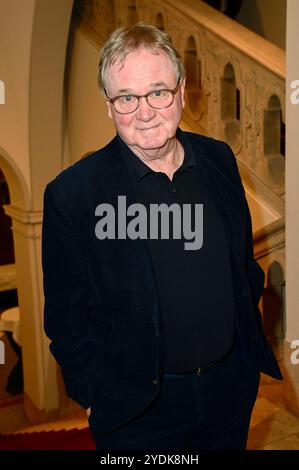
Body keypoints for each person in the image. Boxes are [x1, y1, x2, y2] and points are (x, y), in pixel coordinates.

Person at [42, 22, 282, 451]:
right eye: (127, 98)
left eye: (158, 91)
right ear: (109, 105)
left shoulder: (218, 159)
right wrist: (94, 394)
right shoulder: (73, 194)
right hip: (138, 412)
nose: (145, 111)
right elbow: (66, 315)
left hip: (230, 389)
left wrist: (243, 356)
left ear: (181, 91)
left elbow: (243, 264)